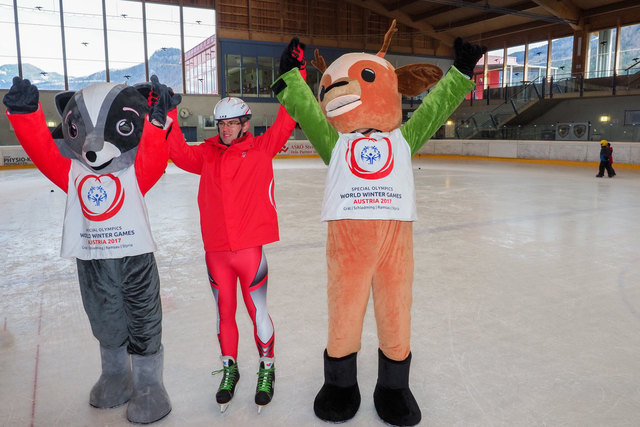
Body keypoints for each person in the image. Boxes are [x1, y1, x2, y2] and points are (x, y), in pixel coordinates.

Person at [166, 38, 306, 413]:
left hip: (249, 251)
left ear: (246, 123)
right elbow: (176, 153)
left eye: (233, 124)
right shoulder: (207, 154)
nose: (226, 129)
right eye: (221, 124)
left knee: (257, 311)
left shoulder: (263, 147)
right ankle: (230, 368)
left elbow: (289, 116)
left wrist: (295, 74)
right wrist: (164, 117)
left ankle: (267, 368)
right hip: (216, 252)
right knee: (223, 313)